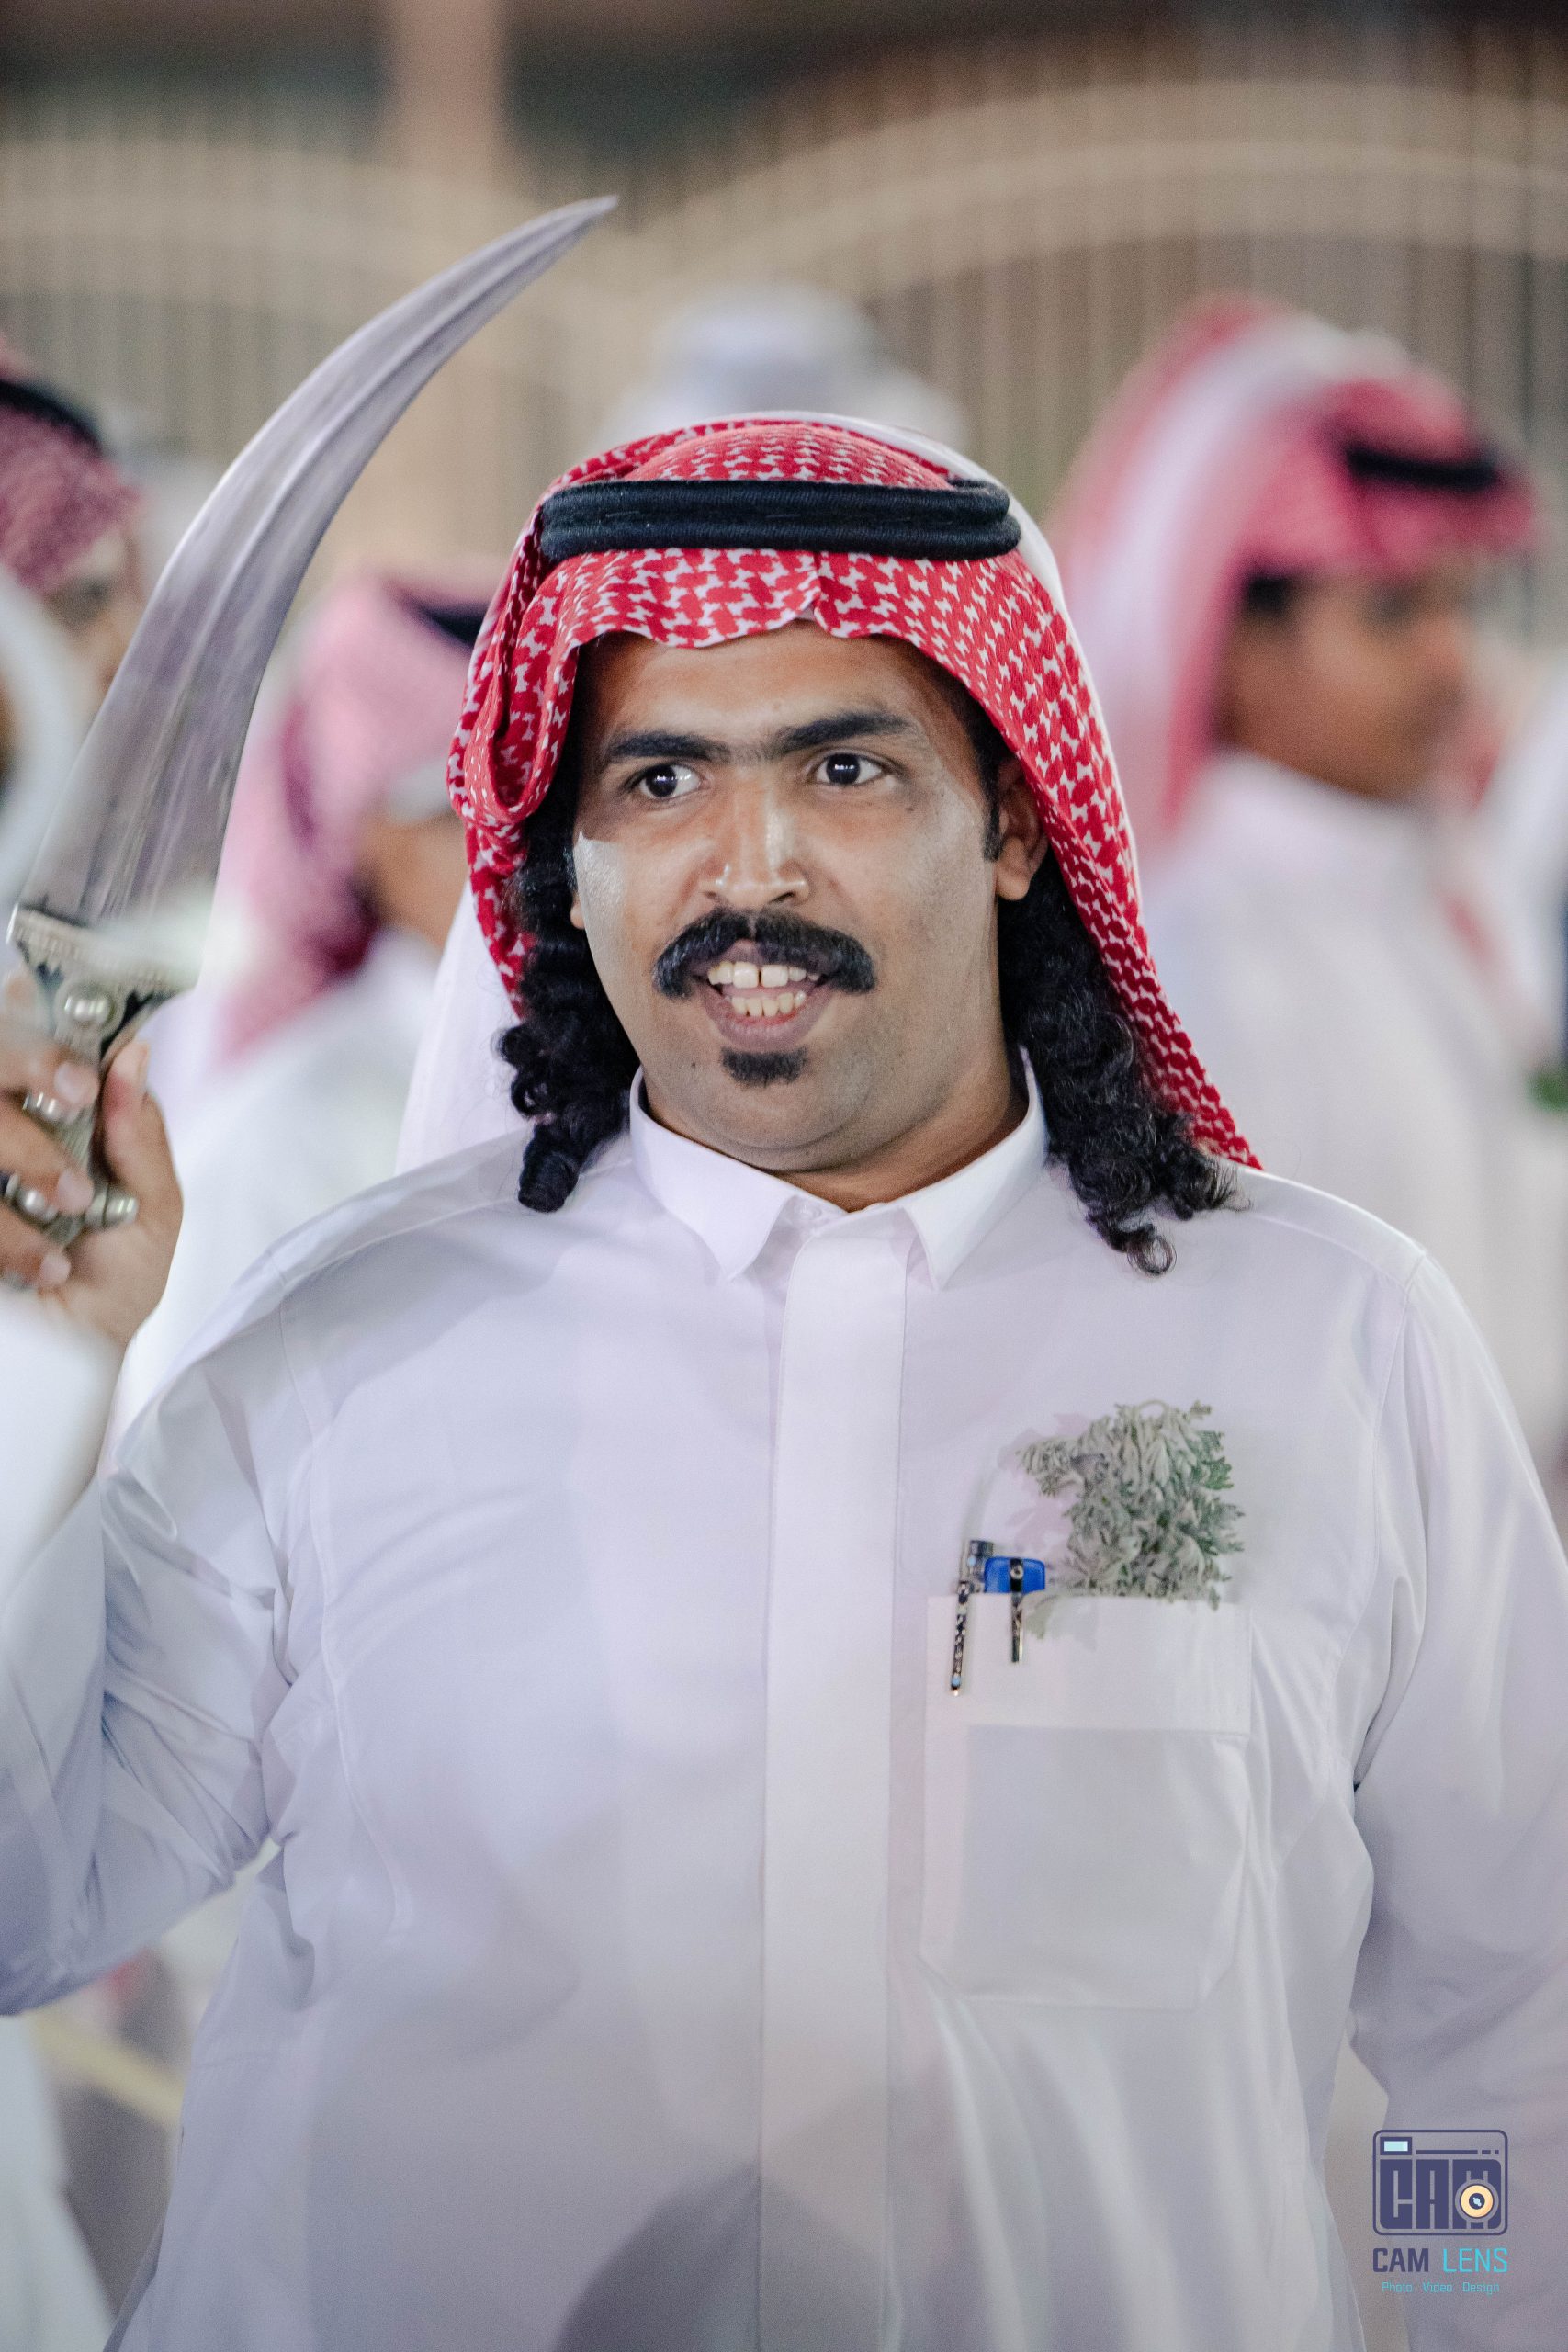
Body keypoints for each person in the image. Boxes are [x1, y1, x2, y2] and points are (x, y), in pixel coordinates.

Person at [1, 415, 1565, 2352]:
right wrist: (31, 1387)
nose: (749, 866)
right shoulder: (344, 1351)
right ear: (569, 860)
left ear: (1011, 823)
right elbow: (28, 1895)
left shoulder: (1329, 1349)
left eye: (845, 768)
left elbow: (1508, 2036)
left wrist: (1473, 2312)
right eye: (658, 779)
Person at [1053, 296, 1568, 1505]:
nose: (1450, 658)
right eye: (1390, 611)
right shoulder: (1185, 961)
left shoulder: (1451, 897)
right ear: (1225, 635)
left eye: (1460, 604)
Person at [118, 570, 485, 1421]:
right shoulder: (288, 1132)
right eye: (461, 813)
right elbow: (181, 1461)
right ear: (372, 835)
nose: (524, 853)